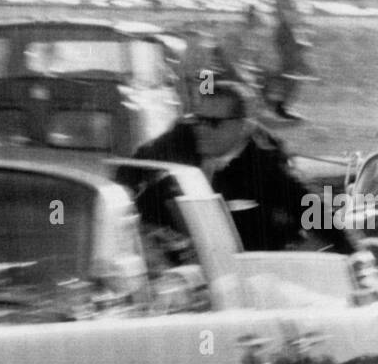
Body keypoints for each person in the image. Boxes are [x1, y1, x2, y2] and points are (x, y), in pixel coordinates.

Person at [133, 80, 358, 254]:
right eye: (199, 120)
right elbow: (136, 168)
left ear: (244, 126)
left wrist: (357, 258)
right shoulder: (185, 136)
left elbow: (319, 215)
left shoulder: (267, 168)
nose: (201, 129)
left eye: (213, 123)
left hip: (252, 272)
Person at [271, 0, 312, 122]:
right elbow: (288, 17)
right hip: (288, 33)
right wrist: (299, 37)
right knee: (290, 72)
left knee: (293, 71)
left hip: (293, 33)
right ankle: (280, 106)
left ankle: (282, 105)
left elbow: (298, 16)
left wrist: (303, 36)